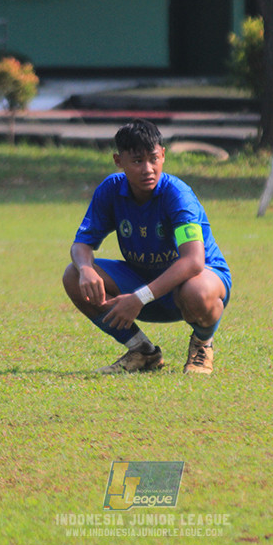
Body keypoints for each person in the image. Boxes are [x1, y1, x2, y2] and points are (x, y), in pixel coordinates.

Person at [62, 119, 231, 375]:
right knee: (73, 275)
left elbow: (194, 261)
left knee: (196, 290)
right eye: (137, 161)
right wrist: (86, 268)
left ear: (163, 154)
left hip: (193, 283)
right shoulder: (110, 190)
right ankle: (143, 352)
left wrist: (139, 298)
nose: (148, 169)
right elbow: (81, 244)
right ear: (119, 161)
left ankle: (202, 344)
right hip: (143, 282)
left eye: (154, 158)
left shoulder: (177, 194)